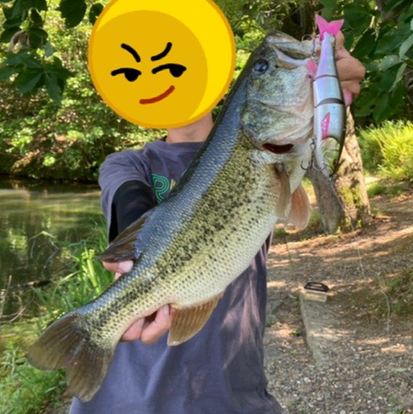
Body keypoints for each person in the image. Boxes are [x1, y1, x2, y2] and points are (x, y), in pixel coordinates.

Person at [69, 35, 365, 414]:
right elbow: (130, 204)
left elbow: (310, 155)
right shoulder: (128, 164)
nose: (163, 78)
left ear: (216, 77)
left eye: (177, 67)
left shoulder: (280, 147)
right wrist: (136, 267)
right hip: (129, 397)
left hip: (230, 391)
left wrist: (330, 78)